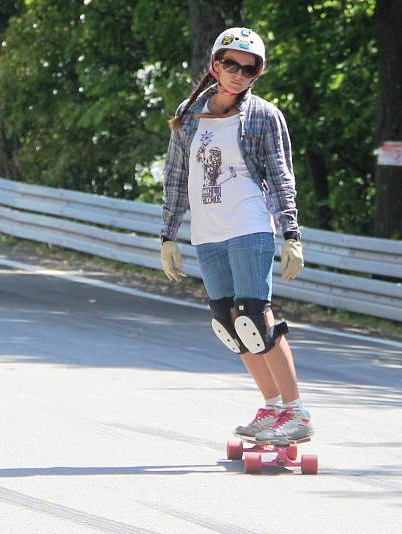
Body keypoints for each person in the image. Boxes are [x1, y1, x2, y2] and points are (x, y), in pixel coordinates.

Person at [159, 27, 313, 444]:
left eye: (249, 69)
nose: (239, 74)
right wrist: (168, 235)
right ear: (215, 65)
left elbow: (281, 176)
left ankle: (296, 411)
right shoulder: (189, 113)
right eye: (231, 64)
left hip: (248, 227)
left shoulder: (264, 115)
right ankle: (272, 407)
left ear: (256, 74)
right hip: (207, 234)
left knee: (254, 319)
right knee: (228, 324)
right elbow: (176, 176)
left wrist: (290, 233)